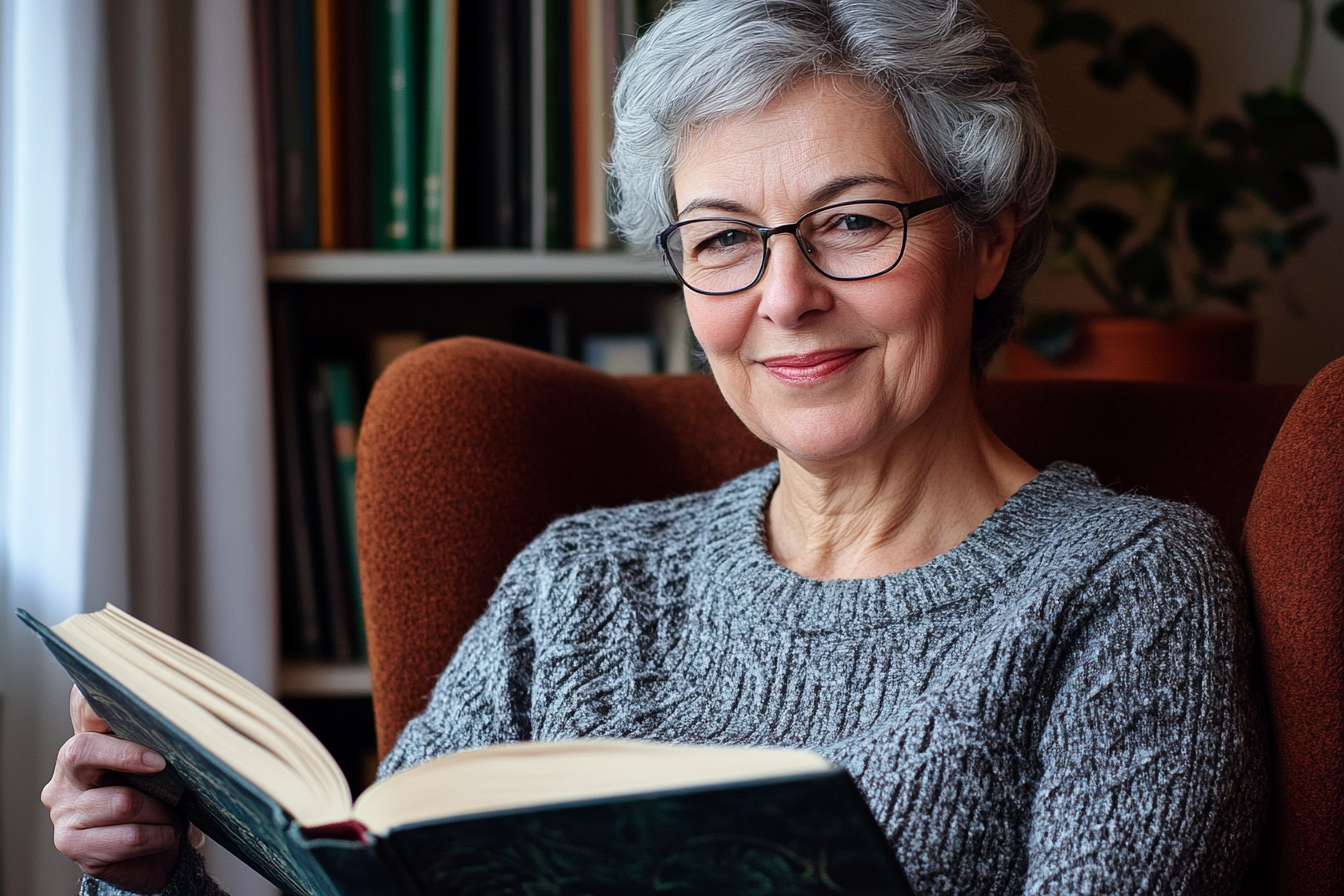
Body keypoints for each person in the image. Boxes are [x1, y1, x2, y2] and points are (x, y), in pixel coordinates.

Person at [45, 1, 1268, 893]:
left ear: (989, 239)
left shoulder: (1129, 582)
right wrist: (155, 875)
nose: (784, 296)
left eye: (851, 221)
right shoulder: (579, 584)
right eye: (725, 239)